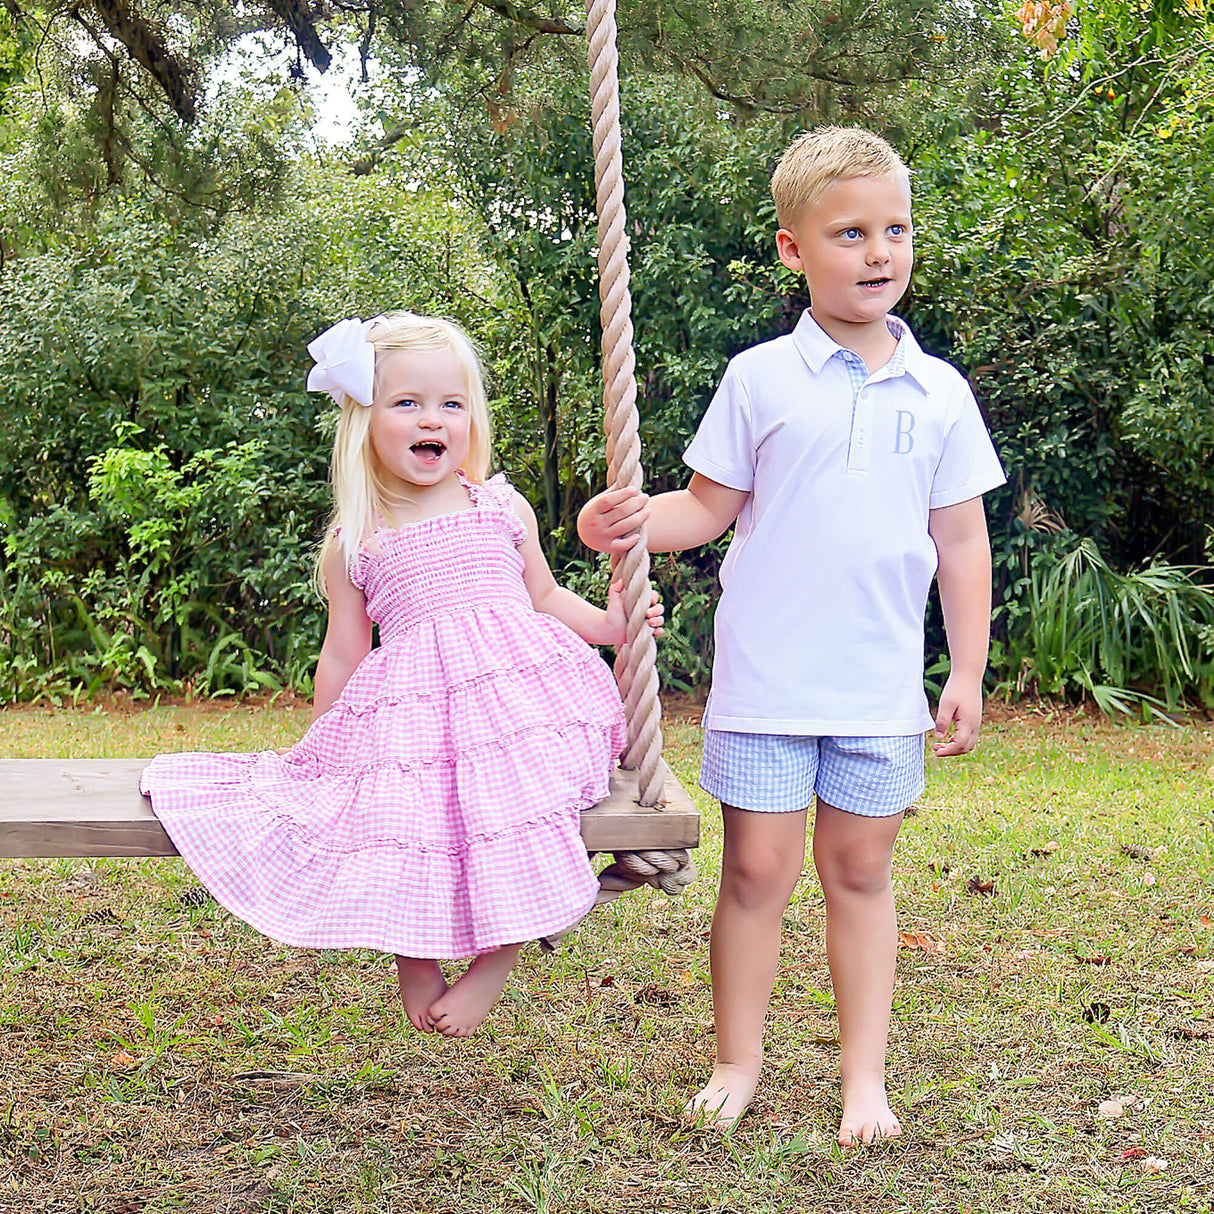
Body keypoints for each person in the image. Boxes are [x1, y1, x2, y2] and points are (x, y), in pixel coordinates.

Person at [578, 126, 1005, 1144]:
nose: (876, 252)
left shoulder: (937, 391)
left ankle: (864, 1077)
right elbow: (703, 507)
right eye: (849, 231)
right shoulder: (761, 377)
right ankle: (737, 1058)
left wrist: (967, 669)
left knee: (859, 871)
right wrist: (628, 521)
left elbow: (960, 539)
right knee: (755, 874)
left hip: (874, 688)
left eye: (893, 229)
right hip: (767, 680)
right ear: (791, 249)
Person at [142, 311, 662, 1038]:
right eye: (408, 403)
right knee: (395, 808)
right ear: (365, 420)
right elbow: (345, 656)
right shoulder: (356, 538)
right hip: (418, 707)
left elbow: (543, 597)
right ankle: (414, 953)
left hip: (525, 700)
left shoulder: (498, 504)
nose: (434, 420)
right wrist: (322, 744)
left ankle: (497, 960)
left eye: (452, 404)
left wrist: (614, 624)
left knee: (518, 801)